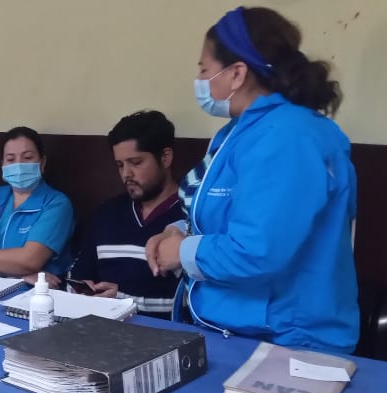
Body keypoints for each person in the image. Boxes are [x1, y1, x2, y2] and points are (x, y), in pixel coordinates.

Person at [145, 6, 359, 352]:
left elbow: (258, 250)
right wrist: (178, 231)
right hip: (239, 332)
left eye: (204, 69)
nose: (200, 80)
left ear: (237, 73)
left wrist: (182, 253)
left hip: (289, 341)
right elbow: (237, 216)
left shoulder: (287, 137)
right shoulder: (241, 132)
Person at [68, 110, 186, 318]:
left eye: (136, 162)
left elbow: (192, 302)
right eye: (120, 165)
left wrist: (122, 301)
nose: (126, 174)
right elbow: (76, 276)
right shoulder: (106, 214)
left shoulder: (190, 218)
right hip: (99, 328)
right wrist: (82, 291)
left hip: (162, 333)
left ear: (165, 157)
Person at [0, 126, 74, 281]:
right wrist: (19, 275)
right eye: (11, 159)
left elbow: (29, 260)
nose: (19, 165)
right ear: (3, 165)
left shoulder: (56, 204)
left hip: (29, 293)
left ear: (42, 162)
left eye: (28, 157)